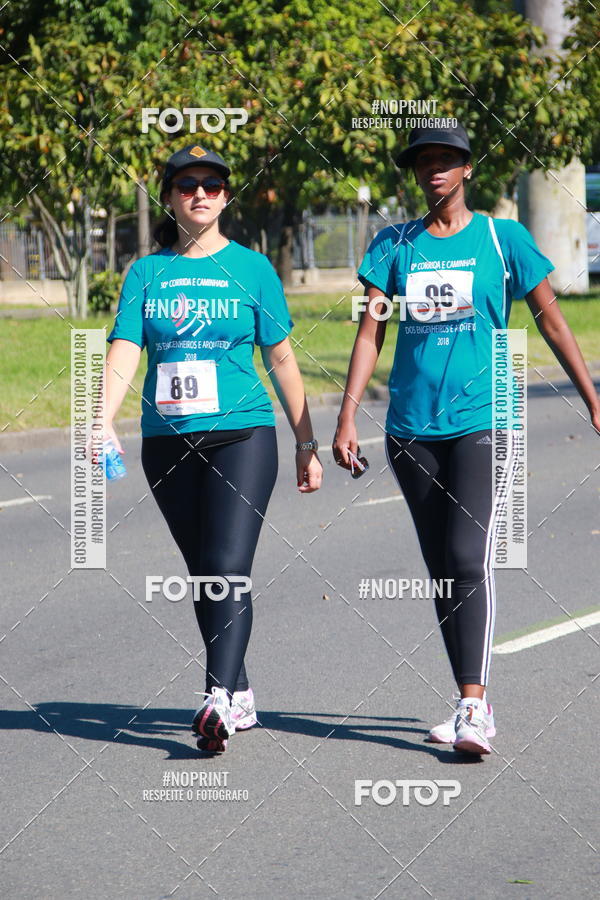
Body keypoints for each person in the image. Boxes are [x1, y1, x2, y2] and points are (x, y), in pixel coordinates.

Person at [333, 123, 600, 755]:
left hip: (486, 419)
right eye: (425, 162)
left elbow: (552, 321)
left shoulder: (501, 238)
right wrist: (347, 418)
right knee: (440, 569)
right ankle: (463, 697)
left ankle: (475, 708)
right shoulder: (395, 244)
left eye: (447, 160)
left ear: (467, 169)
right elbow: (371, 334)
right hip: (410, 428)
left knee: (465, 555)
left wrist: (591, 395)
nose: (435, 171)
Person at [104, 144, 322, 753]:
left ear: (226, 196)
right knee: (204, 573)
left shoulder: (253, 270)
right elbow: (126, 347)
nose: (199, 193)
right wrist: (100, 420)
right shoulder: (146, 272)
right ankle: (241, 690)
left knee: (228, 568)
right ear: (170, 197)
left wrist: (307, 441)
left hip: (243, 435)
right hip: (167, 440)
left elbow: (280, 356)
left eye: (212, 184)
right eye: (185, 185)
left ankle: (217, 698)